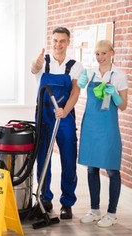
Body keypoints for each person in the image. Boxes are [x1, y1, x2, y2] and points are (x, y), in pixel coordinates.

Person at [30, 27, 83, 220]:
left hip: (64, 115)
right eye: (55, 41)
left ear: (68, 42)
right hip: (44, 116)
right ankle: (44, 198)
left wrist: (65, 110)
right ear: (51, 41)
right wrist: (35, 64)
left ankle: (67, 203)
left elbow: (76, 91)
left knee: (69, 158)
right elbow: (33, 69)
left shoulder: (75, 66)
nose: (58, 44)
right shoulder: (43, 62)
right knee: (43, 158)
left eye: (62, 41)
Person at [77, 40, 129, 228]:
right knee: (92, 168)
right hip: (90, 124)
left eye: (104, 53)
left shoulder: (119, 76)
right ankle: (94, 210)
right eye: (97, 54)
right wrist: (79, 83)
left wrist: (114, 94)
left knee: (112, 169)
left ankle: (112, 213)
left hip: (107, 127)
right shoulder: (89, 73)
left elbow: (123, 106)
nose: (100, 57)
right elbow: (79, 88)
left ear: (112, 53)